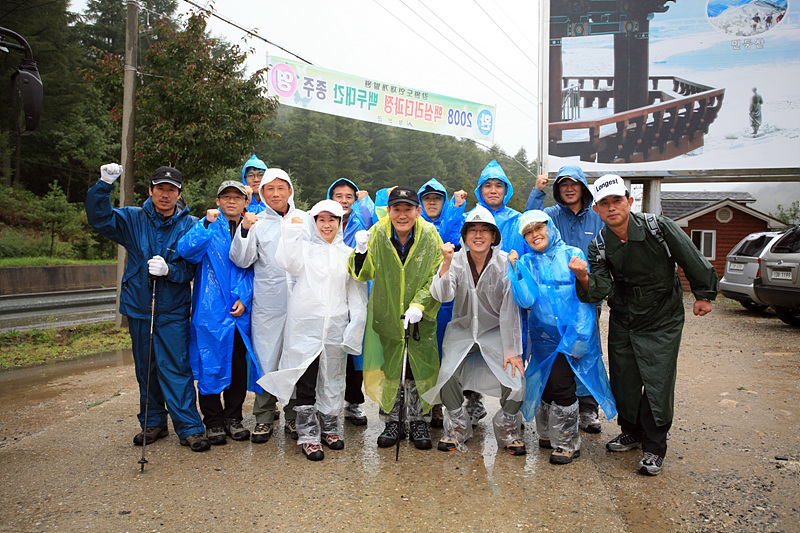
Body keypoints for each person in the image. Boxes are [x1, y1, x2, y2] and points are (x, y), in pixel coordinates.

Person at [569, 174, 718, 476]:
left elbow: (690, 257)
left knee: (657, 378)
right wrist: (583, 277)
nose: (611, 208)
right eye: (604, 204)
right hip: (625, 316)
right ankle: (631, 431)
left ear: (629, 201)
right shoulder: (599, 245)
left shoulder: (659, 228)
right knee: (624, 377)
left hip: (662, 315)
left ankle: (654, 446)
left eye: (616, 201)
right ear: (596, 209)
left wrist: (703, 294)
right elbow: (599, 288)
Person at [85, 164, 209, 452]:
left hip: (173, 309)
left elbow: (191, 270)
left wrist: (170, 271)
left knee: (175, 367)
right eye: (160, 188)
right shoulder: (133, 219)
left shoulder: (190, 225)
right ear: (151, 190)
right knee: (146, 367)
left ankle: (189, 427)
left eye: (171, 190)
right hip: (140, 306)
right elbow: (99, 218)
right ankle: (152, 422)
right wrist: (104, 184)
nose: (165, 195)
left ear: (179, 194)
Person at [258, 200, 368, 461]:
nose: (327, 225)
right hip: (305, 326)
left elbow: (357, 292)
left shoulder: (347, 253)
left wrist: (355, 323)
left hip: (335, 327)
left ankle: (329, 426)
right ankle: (307, 433)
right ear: (314, 222)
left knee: (333, 376)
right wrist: (292, 234)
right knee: (306, 378)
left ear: (340, 223)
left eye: (332, 220)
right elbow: (287, 262)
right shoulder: (305, 251)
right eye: (321, 220)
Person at [507, 210, 617, 465]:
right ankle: (547, 434)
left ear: (550, 227)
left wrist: (578, 338)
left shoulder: (572, 255)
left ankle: (567, 443)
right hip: (543, 337)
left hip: (571, 335)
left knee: (562, 386)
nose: (535, 235)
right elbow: (526, 301)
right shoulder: (527, 262)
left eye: (539, 229)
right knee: (544, 385)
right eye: (528, 232)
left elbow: (586, 303)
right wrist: (517, 272)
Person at [422, 206, 526, 455]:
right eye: (473, 230)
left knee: (517, 381)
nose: (478, 236)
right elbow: (442, 294)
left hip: (495, 332)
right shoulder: (456, 261)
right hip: (463, 330)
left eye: (485, 231)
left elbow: (512, 308)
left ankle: (508, 428)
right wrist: (446, 263)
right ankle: (457, 427)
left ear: (494, 236)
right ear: (465, 236)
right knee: (446, 376)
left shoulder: (504, 263)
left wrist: (512, 349)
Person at [348, 186, 443, 451]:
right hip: (388, 313)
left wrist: (420, 305)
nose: (402, 215)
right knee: (392, 371)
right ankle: (393, 421)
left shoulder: (430, 235)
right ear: (388, 211)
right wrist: (361, 251)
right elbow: (363, 274)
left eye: (408, 209)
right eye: (397, 209)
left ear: (417, 211)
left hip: (420, 318)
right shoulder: (378, 232)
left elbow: (436, 275)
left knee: (419, 370)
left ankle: (419, 421)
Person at [526, 164, 606, 434]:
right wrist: (538, 191)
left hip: (585, 297)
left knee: (585, 350)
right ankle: (553, 414)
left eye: (574, 184)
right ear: (558, 190)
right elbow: (530, 220)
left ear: (583, 187)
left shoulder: (597, 218)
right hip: (550, 305)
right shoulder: (550, 215)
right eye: (563, 185)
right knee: (552, 360)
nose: (569, 189)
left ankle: (587, 408)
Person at [177, 180, 258, 446]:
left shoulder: (252, 226)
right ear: (218, 200)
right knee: (209, 363)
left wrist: (245, 298)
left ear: (246, 201)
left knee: (237, 366)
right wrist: (204, 226)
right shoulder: (207, 226)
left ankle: (233, 418)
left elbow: (255, 268)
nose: (232, 201)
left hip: (238, 311)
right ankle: (212, 420)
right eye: (226, 196)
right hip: (210, 310)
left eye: (238, 196)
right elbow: (186, 251)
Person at [229, 168, 302, 444]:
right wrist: (245, 229)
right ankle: (263, 417)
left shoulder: (304, 220)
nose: (275, 194)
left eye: (280, 188)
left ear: (290, 191)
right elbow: (241, 259)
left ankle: (295, 417)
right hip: (267, 305)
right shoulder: (257, 223)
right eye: (269, 189)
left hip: (299, 304)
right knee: (266, 359)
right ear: (261, 193)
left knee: (296, 359)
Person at [468, 159, 529, 424]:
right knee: (471, 349)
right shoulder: (469, 217)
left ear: (506, 190)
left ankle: (509, 413)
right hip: (476, 295)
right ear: (480, 190)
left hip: (508, 295)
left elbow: (527, 256)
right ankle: (471, 402)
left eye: (498, 186)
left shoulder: (518, 220)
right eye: (488, 186)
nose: (493, 190)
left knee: (512, 349)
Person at [417, 178, 468, 428]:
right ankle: (429, 406)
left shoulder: (456, 220)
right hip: (422, 303)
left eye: (437, 199)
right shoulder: (415, 226)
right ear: (421, 203)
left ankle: (449, 406)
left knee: (448, 356)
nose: (432, 203)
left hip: (448, 303)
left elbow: (447, 242)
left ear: (444, 202)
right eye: (427, 199)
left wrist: (457, 210)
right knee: (425, 357)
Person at [327, 178, 377, 426]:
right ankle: (326, 403)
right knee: (330, 347)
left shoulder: (361, 221)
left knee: (355, 345)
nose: (344, 201)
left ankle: (353, 403)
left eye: (349, 196)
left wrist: (366, 202)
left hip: (358, 289)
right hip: (331, 288)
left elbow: (378, 226)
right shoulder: (323, 221)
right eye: (339, 196)